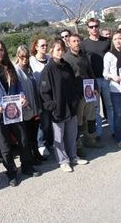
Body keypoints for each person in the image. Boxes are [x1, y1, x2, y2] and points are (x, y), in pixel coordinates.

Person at [0, 39, 41, 187]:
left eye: (1, 49)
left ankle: (27, 167)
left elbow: (18, 86)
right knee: (5, 145)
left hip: (14, 110)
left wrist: (22, 96)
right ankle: (11, 173)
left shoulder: (9, 67)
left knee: (23, 139)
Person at [40, 38, 88, 172]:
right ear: (51, 51)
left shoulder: (66, 66)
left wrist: (76, 99)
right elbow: (44, 92)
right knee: (58, 138)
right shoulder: (48, 69)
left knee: (72, 135)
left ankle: (73, 157)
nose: (60, 52)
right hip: (58, 110)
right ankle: (63, 161)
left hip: (71, 107)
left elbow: (73, 84)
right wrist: (52, 106)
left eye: (62, 49)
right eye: (57, 50)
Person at [64, 34, 104, 158]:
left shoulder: (83, 55)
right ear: (69, 43)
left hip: (90, 92)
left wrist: (96, 87)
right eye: (74, 41)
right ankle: (79, 145)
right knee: (79, 122)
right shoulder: (66, 59)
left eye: (78, 41)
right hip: (78, 95)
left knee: (91, 118)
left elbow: (90, 72)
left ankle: (90, 139)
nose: (77, 43)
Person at [81, 18, 114, 139]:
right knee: (95, 109)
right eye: (91, 26)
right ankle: (98, 133)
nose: (94, 28)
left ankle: (113, 129)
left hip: (107, 79)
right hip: (92, 81)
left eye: (96, 26)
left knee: (110, 106)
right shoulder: (83, 44)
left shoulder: (106, 41)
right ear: (87, 28)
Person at [14, 45, 44, 165]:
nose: (24, 59)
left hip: (34, 108)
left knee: (34, 134)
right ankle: (31, 157)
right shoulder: (15, 71)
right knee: (27, 136)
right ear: (18, 56)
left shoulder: (30, 69)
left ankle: (36, 154)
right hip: (25, 110)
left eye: (26, 56)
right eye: (22, 56)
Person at [29, 38, 53, 157]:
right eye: (42, 45)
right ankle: (41, 144)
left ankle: (51, 142)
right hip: (41, 96)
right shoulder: (31, 61)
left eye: (46, 45)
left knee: (53, 120)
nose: (45, 47)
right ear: (36, 47)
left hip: (53, 95)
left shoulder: (50, 58)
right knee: (45, 122)